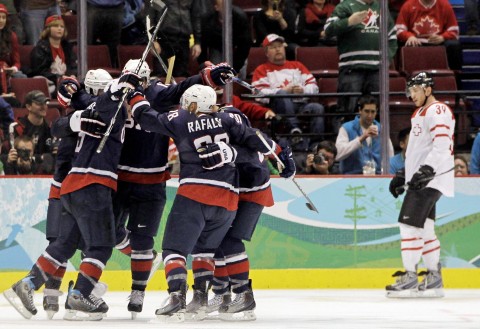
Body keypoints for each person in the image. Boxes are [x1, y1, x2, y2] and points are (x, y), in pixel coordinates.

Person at [128, 83, 295, 322]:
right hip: (228, 199)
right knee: (205, 250)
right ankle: (212, 296)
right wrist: (279, 152)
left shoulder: (181, 118)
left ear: (193, 105)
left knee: (174, 250)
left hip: (196, 193)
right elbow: (257, 140)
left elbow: (147, 118)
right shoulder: (229, 120)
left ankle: (177, 298)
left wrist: (134, 96)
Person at [2, 71, 142, 321]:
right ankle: (80, 293)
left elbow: (73, 113)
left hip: (71, 186)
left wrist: (110, 91)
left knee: (65, 244)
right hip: (93, 183)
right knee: (100, 246)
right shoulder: (111, 108)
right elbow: (94, 107)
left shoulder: (88, 107)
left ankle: (28, 283)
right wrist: (118, 87)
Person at [203, 104, 276, 321]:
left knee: (229, 241)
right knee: (215, 238)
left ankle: (242, 294)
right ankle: (222, 293)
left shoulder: (248, 144)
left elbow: (250, 158)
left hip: (251, 196)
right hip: (235, 193)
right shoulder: (239, 138)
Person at [387, 71, 455, 298]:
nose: (412, 95)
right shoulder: (420, 113)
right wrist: (403, 175)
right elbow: (417, 151)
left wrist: (426, 170)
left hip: (429, 179)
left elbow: (442, 145)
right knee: (425, 228)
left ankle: (409, 276)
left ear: (428, 89)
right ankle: (434, 277)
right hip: (425, 178)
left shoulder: (437, 110)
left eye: (416, 90)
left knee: (408, 227)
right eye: (410, 91)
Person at [324, 0, 397, 129]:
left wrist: (386, 58)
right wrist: (349, 22)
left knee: (377, 110)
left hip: (377, 69)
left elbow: (391, 37)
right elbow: (328, 30)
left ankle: (376, 142)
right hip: (352, 67)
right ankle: (346, 144)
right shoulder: (345, 5)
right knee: (348, 109)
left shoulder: (381, 7)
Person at [251, 33, 325, 151]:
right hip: (277, 108)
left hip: (301, 104)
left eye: (280, 46)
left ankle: (316, 146)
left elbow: (314, 86)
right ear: (266, 52)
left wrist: (303, 90)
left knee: (317, 108)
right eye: (273, 47)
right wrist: (283, 91)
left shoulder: (297, 66)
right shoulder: (261, 69)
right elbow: (258, 93)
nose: (278, 49)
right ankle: (294, 130)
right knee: (282, 94)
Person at [395, 0, 462, 70]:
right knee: (401, 43)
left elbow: (454, 30)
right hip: (416, 42)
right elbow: (399, 30)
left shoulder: (445, 5)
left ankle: (454, 77)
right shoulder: (408, 5)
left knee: (454, 45)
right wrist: (409, 36)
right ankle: (406, 77)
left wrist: (443, 37)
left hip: (437, 42)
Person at [335, 95, 393, 175]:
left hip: (376, 177)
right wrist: (361, 138)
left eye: (373, 112)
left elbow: (390, 156)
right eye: (366, 111)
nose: (370, 115)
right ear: (360, 110)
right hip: (351, 177)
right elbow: (338, 155)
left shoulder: (381, 129)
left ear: (376, 111)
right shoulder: (346, 128)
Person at [4, 90, 56, 174]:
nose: (44, 106)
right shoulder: (16, 128)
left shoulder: (51, 129)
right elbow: (8, 157)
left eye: (45, 103)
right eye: (39, 104)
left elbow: (51, 158)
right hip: (18, 175)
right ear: (28, 107)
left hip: (44, 175)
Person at [149, 0, 203, 77]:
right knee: (161, 75)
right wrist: (152, 40)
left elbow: (195, 16)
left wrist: (197, 42)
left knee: (181, 76)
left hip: (184, 39)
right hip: (163, 39)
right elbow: (150, 16)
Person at [197, 0, 252, 75]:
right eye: (224, 6)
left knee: (240, 70)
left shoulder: (240, 17)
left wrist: (236, 69)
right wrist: (203, 65)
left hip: (236, 47)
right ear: (216, 8)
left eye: (229, 6)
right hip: (216, 46)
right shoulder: (207, 20)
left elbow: (245, 45)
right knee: (214, 72)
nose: (227, 9)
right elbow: (203, 44)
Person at [29, 15, 77, 96]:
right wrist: (58, 77)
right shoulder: (40, 48)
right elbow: (39, 71)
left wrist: (71, 74)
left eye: (62, 26)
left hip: (66, 81)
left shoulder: (67, 47)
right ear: (48, 29)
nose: (59, 29)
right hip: (50, 81)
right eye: (55, 26)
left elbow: (73, 65)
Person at [86, 0, 124, 68]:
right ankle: (88, 73)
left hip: (116, 8)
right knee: (89, 43)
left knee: (114, 48)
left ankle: (111, 72)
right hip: (93, 7)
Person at [0, 3, 27, 86]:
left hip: (6, 70)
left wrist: (14, 68)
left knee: (22, 77)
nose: (1, 20)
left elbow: (16, 62)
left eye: (3, 17)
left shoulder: (12, 36)